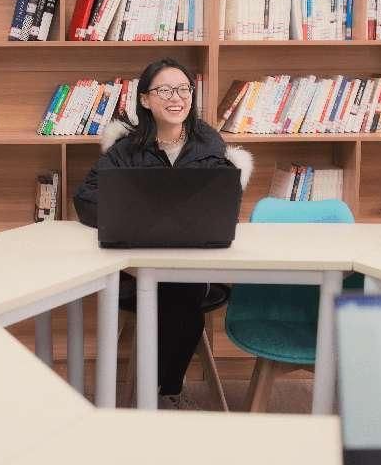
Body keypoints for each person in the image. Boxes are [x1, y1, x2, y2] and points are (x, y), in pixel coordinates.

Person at [74, 58, 252, 409]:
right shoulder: (126, 149)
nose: (177, 98)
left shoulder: (209, 143)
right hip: (136, 267)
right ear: (145, 99)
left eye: (184, 89)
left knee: (181, 292)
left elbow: (225, 201)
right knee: (175, 296)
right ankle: (163, 391)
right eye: (166, 90)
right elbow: (86, 198)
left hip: (193, 264)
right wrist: (132, 218)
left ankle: (161, 390)